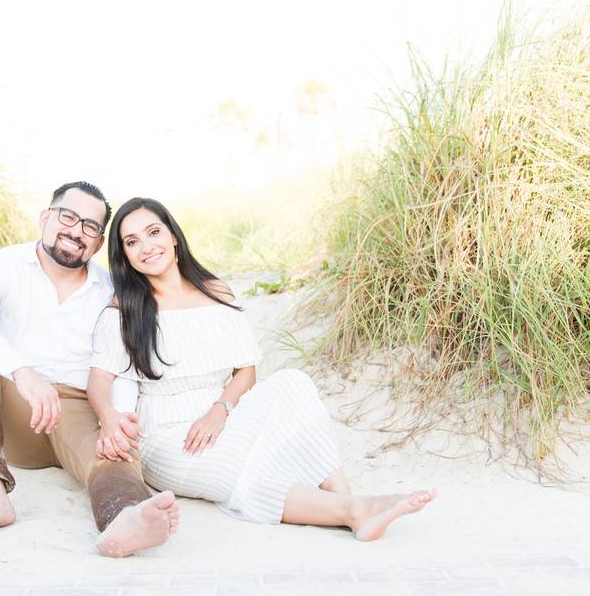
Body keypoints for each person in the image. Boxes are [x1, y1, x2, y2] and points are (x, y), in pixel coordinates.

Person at [87, 197, 436, 540]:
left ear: (173, 236)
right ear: (125, 256)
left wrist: (219, 411)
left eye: (153, 232)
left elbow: (246, 371)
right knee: (241, 470)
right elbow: (99, 379)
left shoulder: (217, 293)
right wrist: (109, 416)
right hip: (167, 435)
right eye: (132, 242)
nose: (146, 246)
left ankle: (347, 499)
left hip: (223, 413)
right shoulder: (125, 309)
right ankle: (353, 512)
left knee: (293, 382)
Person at [0, 182, 179, 556]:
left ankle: (126, 517)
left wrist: (116, 418)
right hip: (17, 410)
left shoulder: (109, 288)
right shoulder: (5, 265)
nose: (75, 231)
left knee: (115, 451)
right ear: (46, 218)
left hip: (79, 410)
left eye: (90, 227)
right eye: (68, 217)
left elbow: (122, 361)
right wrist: (21, 370)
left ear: (99, 243)